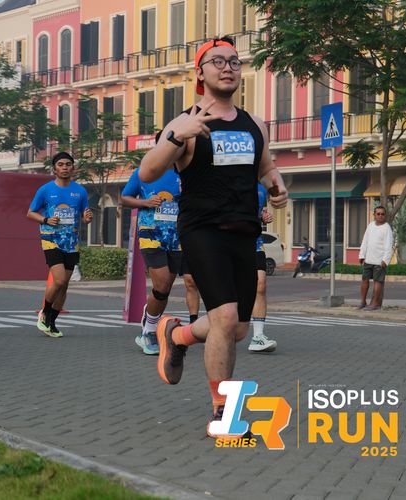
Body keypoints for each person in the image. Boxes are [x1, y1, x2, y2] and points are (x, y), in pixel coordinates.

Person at [138, 36, 288, 438]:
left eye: (234, 62)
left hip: (244, 232)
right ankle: (224, 416)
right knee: (223, 317)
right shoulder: (184, 122)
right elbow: (148, 172)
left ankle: (177, 335)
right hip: (202, 230)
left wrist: (277, 187)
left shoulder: (254, 124)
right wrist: (176, 136)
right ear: (200, 74)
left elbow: (266, 167)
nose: (227, 68)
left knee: (236, 329)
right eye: (217, 61)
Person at [121, 146, 201, 355]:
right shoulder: (144, 173)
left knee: (164, 288)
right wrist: (145, 202)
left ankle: (150, 313)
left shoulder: (187, 174)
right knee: (162, 283)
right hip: (151, 234)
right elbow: (125, 198)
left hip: (177, 238)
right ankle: (148, 332)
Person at [27, 152, 93, 337]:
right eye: (61, 164)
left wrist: (87, 218)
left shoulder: (80, 191)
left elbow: (84, 215)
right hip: (51, 240)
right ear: (54, 169)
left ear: (73, 168)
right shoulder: (45, 190)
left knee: (64, 286)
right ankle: (45, 313)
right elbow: (30, 213)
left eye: (68, 164)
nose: (65, 167)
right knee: (60, 280)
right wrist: (45, 219)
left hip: (71, 243)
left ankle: (52, 322)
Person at [248, 183, 278, 352]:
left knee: (260, 284)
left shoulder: (261, 186)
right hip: (231, 241)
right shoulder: (229, 177)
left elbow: (259, 211)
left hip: (255, 242)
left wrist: (263, 216)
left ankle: (258, 336)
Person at [358, 206, 394, 311]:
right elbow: (365, 241)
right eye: (378, 214)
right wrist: (362, 255)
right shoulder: (370, 226)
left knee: (378, 282)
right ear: (374, 215)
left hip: (379, 261)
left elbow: (389, 245)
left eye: (382, 214)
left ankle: (375, 303)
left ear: (385, 215)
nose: (380, 216)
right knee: (364, 280)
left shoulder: (387, 228)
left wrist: (385, 260)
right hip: (368, 259)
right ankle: (363, 301)